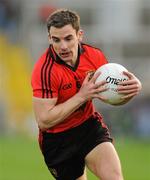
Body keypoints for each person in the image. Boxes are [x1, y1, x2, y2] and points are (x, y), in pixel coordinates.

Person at [31, 9, 142, 180]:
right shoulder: (45, 70)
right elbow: (44, 120)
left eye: (68, 38)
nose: (63, 46)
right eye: (56, 40)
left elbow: (112, 98)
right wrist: (81, 96)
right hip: (58, 140)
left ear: (79, 35)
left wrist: (131, 90)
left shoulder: (94, 56)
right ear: (49, 38)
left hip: (88, 127)